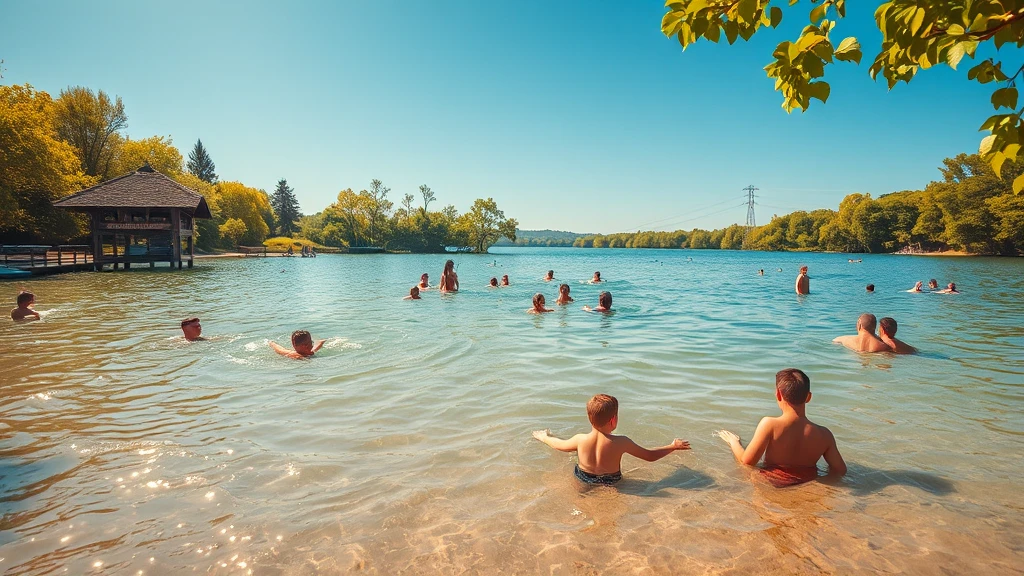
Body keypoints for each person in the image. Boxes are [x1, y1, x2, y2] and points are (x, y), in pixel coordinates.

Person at [716, 368, 846, 487]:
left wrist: (734, 442)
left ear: (778, 394)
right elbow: (840, 470)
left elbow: (747, 462)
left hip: (773, 485)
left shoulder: (769, 424)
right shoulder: (824, 434)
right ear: (808, 397)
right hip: (806, 485)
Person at [532, 394, 690, 486]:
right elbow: (649, 456)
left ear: (589, 418)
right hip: (611, 481)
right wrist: (673, 446)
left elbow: (558, 445)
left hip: (582, 477)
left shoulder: (580, 439)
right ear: (613, 420)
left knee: (575, 454)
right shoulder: (621, 442)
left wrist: (544, 437)